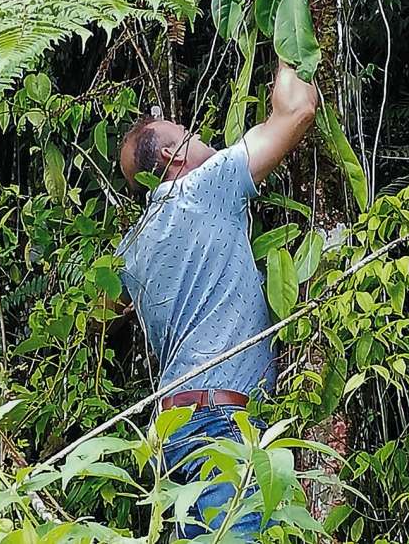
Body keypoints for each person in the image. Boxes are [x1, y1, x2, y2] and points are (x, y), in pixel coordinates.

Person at [114, 61, 317, 540]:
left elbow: (101, 313)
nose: (198, 135)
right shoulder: (204, 188)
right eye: (185, 132)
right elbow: (298, 111)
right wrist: (287, 29)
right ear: (170, 155)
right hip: (219, 423)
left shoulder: (132, 248)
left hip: (173, 428)